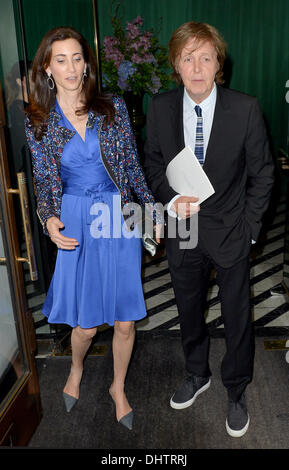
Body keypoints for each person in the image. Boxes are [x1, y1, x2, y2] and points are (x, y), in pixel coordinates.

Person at [25, 26, 161, 430]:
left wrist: (150, 209)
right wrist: (48, 217)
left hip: (117, 217)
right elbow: (45, 182)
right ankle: (76, 367)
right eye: (61, 59)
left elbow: (133, 169)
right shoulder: (40, 121)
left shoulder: (112, 107)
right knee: (85, 325)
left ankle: (118, 387)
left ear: (87, 63)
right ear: (47, 67)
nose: (71, 67)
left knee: (124, 319)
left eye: (77, 58)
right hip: (77, 220)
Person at [144, 21, 274, 437]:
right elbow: (151, 164)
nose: (197, 67)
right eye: (188, 58)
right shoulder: (160, 107)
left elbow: (264, 174)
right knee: (188, 309)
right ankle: (196, 374)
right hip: (184, 229)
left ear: (219, 63)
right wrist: (167, 197)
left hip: (232, 227)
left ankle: (236, 388)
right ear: (176, 65)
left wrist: (252, 229)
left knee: (236, 315)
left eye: (205, 57)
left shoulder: (246, 108)